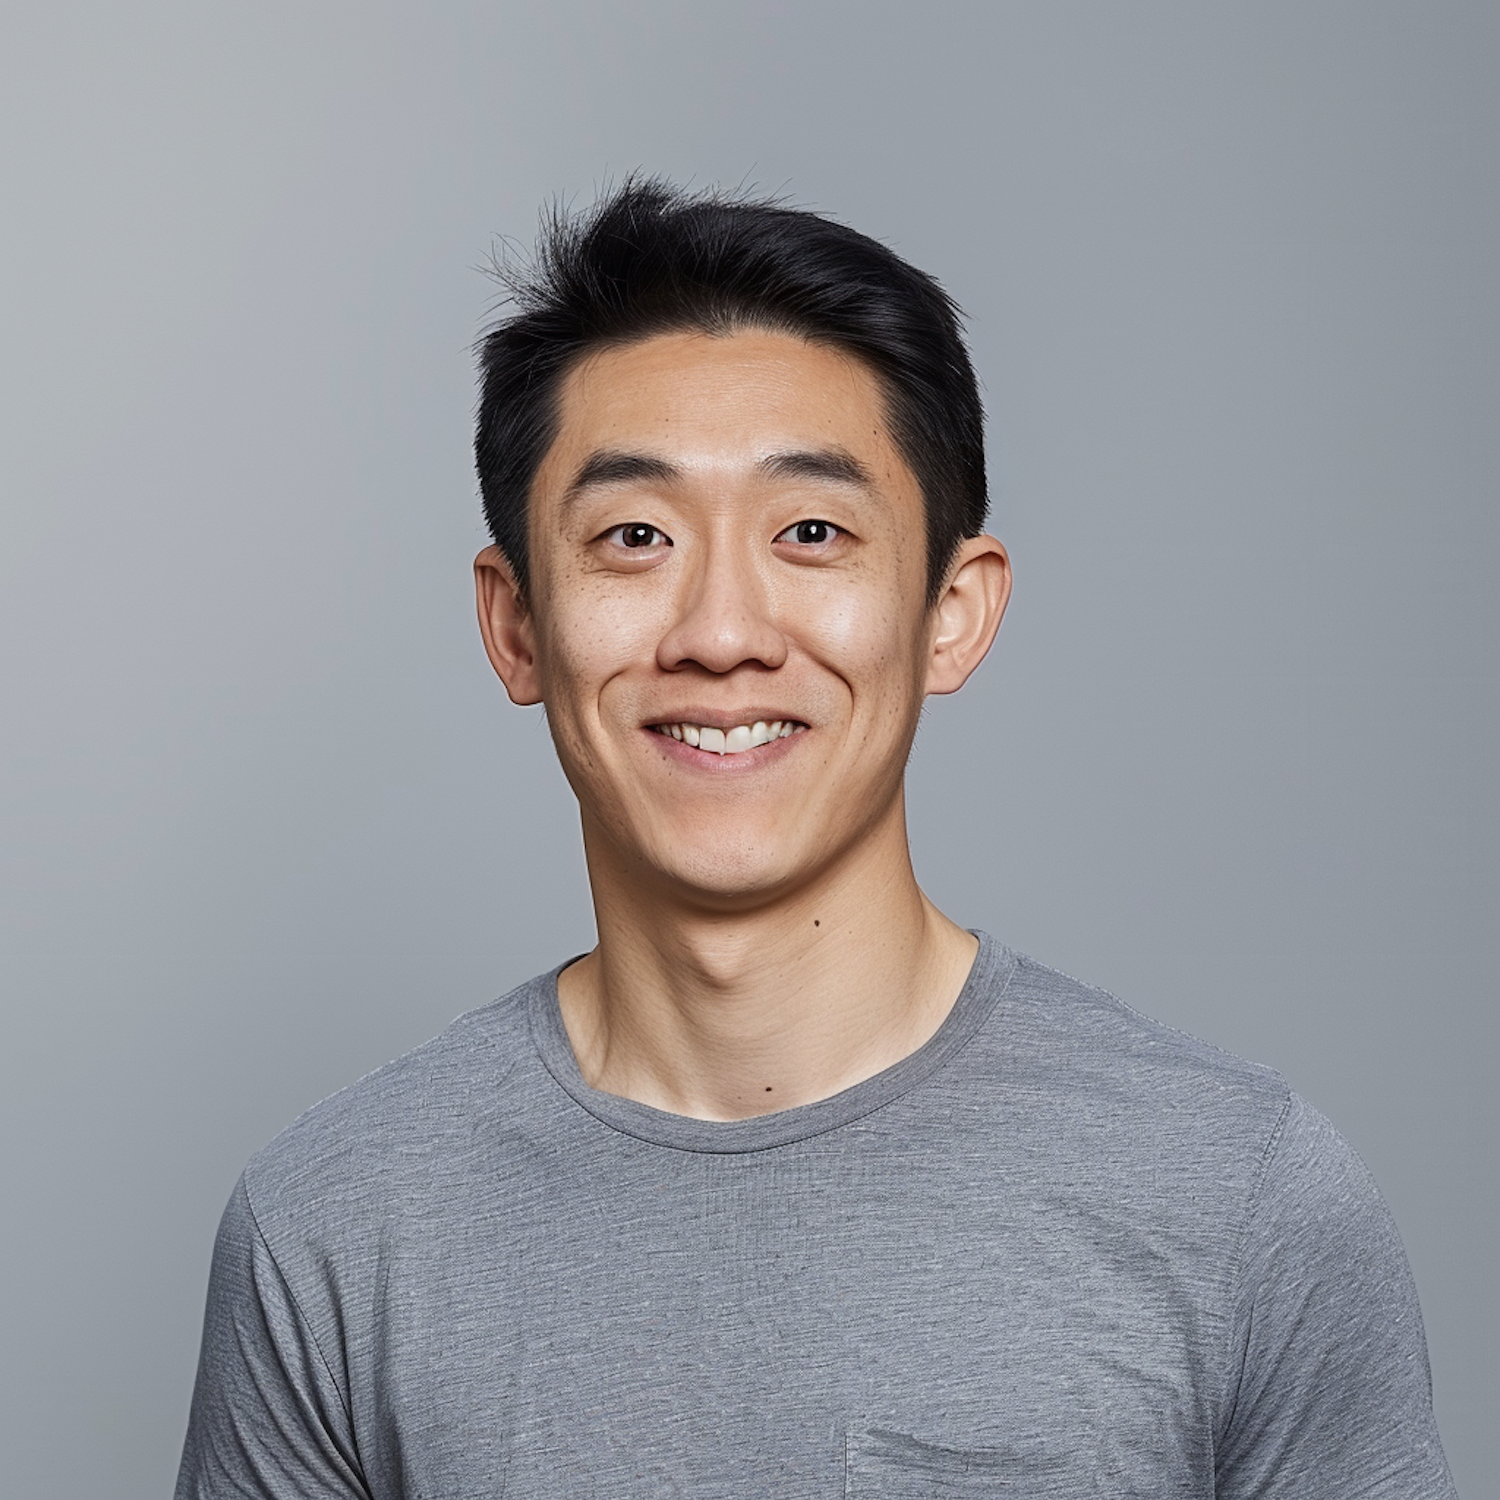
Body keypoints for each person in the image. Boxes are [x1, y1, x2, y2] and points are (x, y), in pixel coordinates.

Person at [176, 179, 1456, 1499]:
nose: (723, 630)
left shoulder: (1238, 1195)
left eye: (811, 533)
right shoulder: (335, 1231)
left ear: (952, 611)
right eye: (634, 536)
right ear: (517, 627)